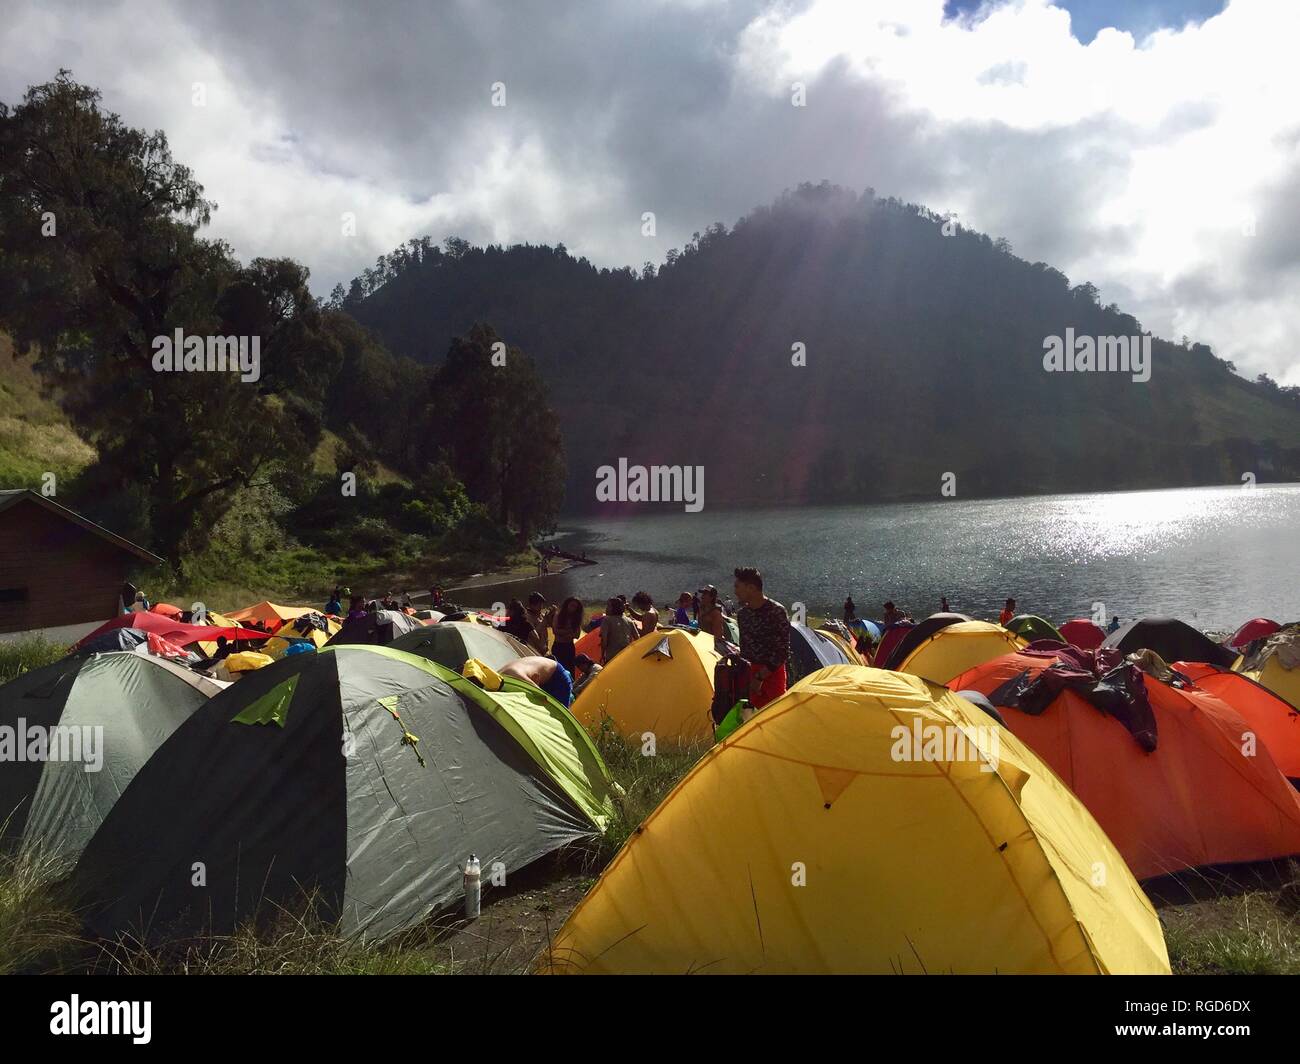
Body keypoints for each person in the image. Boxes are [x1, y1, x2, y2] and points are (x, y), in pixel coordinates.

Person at [734, 567, 790, 709]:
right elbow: (745, 647)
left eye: (738, 587)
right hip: (750, 673)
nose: (735, 591)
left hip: (772, 675)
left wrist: (760, 677)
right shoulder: (743, 615)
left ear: (751, 588)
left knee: (774, 716)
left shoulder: (776, 611)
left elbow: (782, 652)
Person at [500, 655, 574, 707]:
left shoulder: (516, 677)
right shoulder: (498, 678)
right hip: (538, 670)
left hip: (556, 676)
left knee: (556, 714)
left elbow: (541, 696)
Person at [599, 597, 640, 662]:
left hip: (612, 656)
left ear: (614, 608)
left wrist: (602, 654)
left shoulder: (607, 620)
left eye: (609, 606)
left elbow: (604, 640)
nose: (606, 608)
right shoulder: (629, 620)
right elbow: (638, 638)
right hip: (626, 656)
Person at [550, 597, 583, 671]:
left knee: (570, 669)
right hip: (558, 646)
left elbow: (577, 635)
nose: (573, 608)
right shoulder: (558, 616)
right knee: (557, 669)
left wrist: (564, 633)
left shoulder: (576, 619)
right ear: (566, 605)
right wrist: (569, 632)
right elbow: (555, 631)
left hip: (569, 647)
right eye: (571, 605)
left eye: (575, 607)